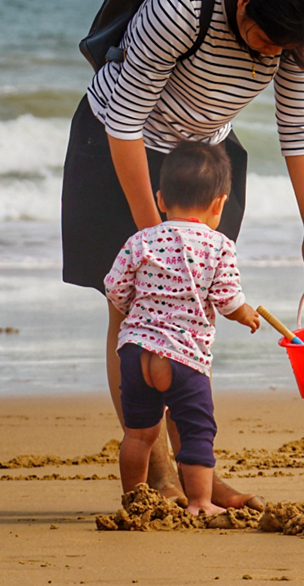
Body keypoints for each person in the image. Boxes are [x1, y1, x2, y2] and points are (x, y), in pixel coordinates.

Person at [61, 0, 304, 508]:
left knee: (194, 311)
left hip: (202, 157)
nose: (270, 54)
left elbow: (299, 126)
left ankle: (197, 467)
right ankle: (157, 469)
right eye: (263, 40)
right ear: (243, 0)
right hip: (122, 148)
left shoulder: (293, 35)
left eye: (281, 49)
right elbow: (123, 121)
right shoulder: (182, 7)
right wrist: (159, 243)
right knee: (135, 311)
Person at [104, 143, 261, 513]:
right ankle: (201, 501)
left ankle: (135, 499)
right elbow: (227, 299)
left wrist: (134, 309)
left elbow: (114, 287)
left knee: (139, 434)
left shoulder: (140, 240)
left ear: (160, 199)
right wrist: (246, 314)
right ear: (220, 204)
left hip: (138, 351)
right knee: (196, 432)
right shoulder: (219, 245)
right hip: (185, 358)